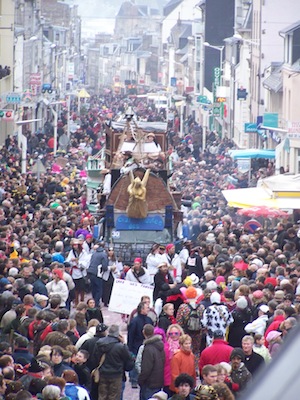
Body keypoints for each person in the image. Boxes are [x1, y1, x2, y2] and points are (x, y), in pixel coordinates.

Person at [90, 324, 134, 400]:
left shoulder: (99, 343)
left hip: (102, 374)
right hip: (116, 375)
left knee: (102, 395)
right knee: (114, 396)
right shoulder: (121, 346)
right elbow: (129, 361)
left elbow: (94, 359)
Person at [128, 301, 153, 388]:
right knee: (135, 363)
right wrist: (130, 348)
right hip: (136, 345)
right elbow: (130, 335)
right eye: (147, 308)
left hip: (147, 345)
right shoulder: (135, 321)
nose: (148, 309)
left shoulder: (149, 319)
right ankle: (134, 380)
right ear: (142, 309)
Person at [138, 324, 165, 400]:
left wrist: (140, 380)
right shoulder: (160, 345)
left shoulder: (148, 348)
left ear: (144, 332)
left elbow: (146, 368)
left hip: (149, 383)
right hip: (158, 381)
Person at [66, 238, 91, 306]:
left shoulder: (84, 253)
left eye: (76, 245)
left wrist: (78, 262)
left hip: (81, 272)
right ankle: (76, 302)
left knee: (82, 288)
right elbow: (68, 261)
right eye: (74, 245)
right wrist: (72, 260)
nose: (75, 247)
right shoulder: (72, 252)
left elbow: (86, 262)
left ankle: (82, 301)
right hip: (74, 272)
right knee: (76, 288)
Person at [87, 241, 108, 307]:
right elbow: (105, 266)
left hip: (90, 272)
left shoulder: (94, 253)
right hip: (97, 273)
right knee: (99, 289)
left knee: (94, 288)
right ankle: (96, 303)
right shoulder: (103, 254)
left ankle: (93, 302)